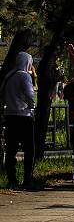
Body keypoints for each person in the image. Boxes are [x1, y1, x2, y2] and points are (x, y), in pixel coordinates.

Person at [2, 52, 36, 188]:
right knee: (29, 149)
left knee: (11, 150)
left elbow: (2, 94)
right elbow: (29, 94)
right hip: (24, 116)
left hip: (10, 116)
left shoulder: (8, 76)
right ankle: (27, 179)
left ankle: (12, 180)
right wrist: (32, 106)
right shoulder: (24, 75)